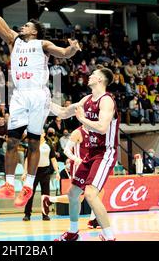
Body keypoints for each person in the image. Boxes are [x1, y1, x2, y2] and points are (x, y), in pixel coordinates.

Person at [0, 0, 81, 207]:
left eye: (27, 25)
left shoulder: (42, 43)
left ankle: (27, 186)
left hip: (38, 94)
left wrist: (73, 48)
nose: (23, 27)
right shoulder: (13, 40)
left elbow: (65, 53)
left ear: (34, 31)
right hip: (19, 95)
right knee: (11, 142)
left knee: (34, 143)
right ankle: (9, 185)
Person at [50, 67, 119, 241]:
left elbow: (103, 128)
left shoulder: (107, 101)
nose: (90, 76)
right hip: (91, 152)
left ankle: (110, 236)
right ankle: (73, 232)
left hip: (106, 152)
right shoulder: (87, 99)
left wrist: (82, 120)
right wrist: (42, 99)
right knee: (73, 193)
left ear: (101, 80)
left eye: (93, 75)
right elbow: (63, 112)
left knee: (90, 194)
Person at [41, 127, 104, 229]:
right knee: (78, 197)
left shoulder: (95, 132)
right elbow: (66, 150)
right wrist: (76, 159)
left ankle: (93, 220)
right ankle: (49, 199)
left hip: (89, 167)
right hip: (79, 167)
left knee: (98, 191)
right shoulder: (78, 132)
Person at [22, 131, 60, 221]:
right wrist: (24, 172)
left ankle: (45, 214)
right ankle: (27, 214)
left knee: (45, 194)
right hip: (33, 172)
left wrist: (57, 172)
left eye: (41, 132)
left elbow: (53, 160)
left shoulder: (48, 145)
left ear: (44, 134)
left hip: (45, 171)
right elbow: (27, 159)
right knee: (30, 193)